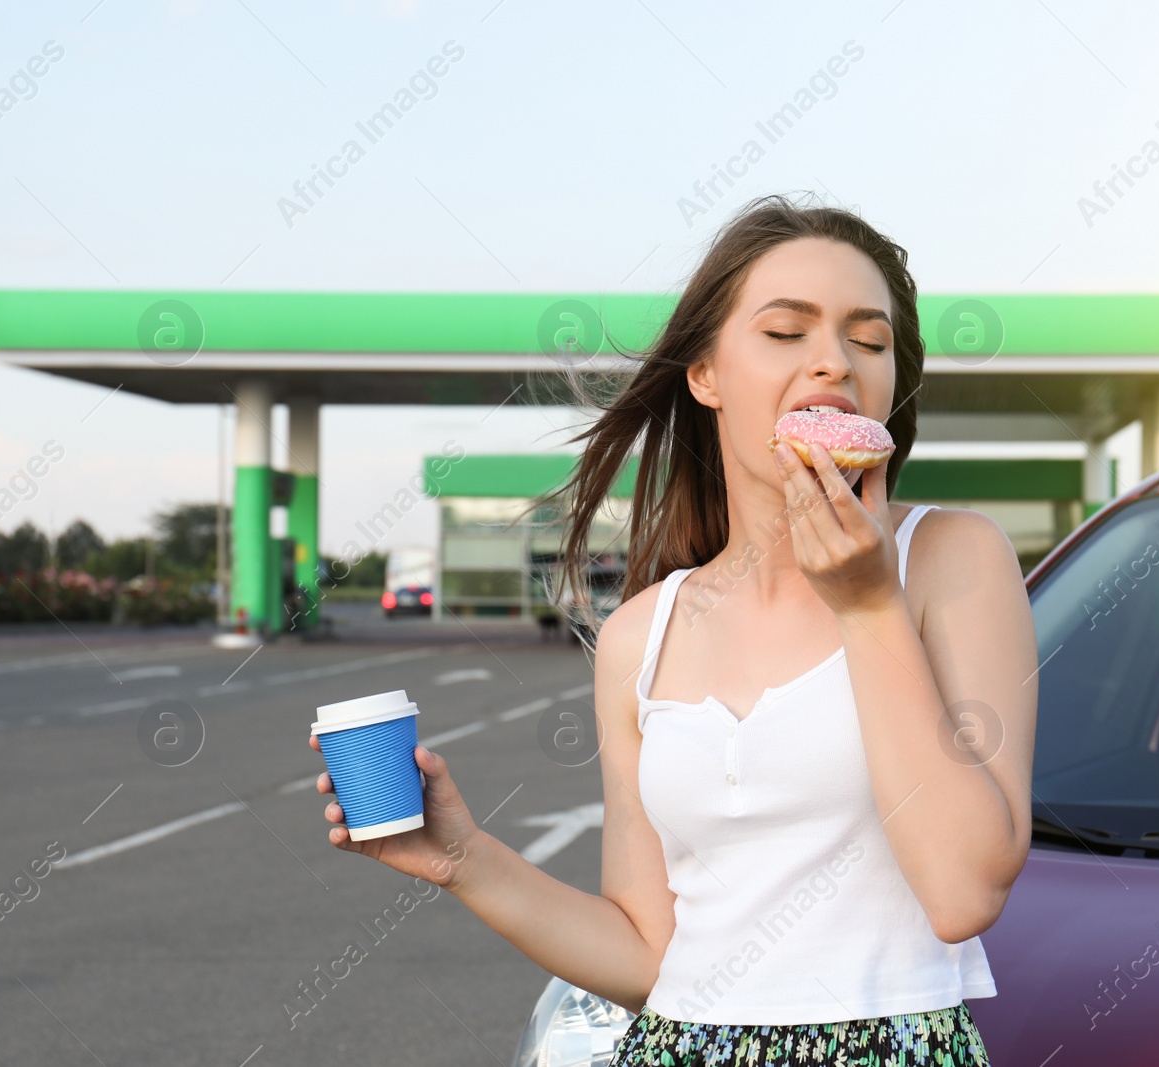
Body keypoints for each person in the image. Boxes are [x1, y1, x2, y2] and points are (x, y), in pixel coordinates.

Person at [307, 193, 1038, 1065]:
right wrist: (462, 857)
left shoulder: (951, 560)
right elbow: (650, 954)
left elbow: (964, 890)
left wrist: (868, 601)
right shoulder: (639, 636)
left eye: (868, 341)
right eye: (784, 332)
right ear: (706, 375)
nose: (833, 363)